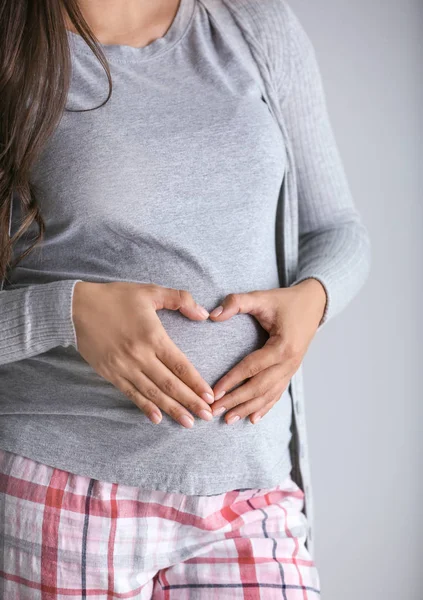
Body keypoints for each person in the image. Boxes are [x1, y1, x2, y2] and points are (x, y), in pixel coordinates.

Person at [0, 0, 371, 597]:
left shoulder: (253, 27)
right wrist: (65, 312)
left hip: (249, 490)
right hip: (63, 491)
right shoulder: (15, 44)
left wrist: (312, 301)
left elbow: (336, 231)